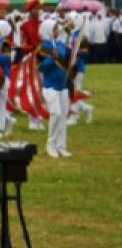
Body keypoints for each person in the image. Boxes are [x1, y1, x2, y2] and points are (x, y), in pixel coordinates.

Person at [38, 19, 72, 158]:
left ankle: (61, 146)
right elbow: (42, 67)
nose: (57, 31)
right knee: (56, 114)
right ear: (48, 31)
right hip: (50, 86)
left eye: (57, 28)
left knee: (63, 116)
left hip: (63, 86)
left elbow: (68, 61)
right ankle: (50, 145)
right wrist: (52, 57)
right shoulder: (43, 47)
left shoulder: (60, 45)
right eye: (55, 29)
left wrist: (74, 60)